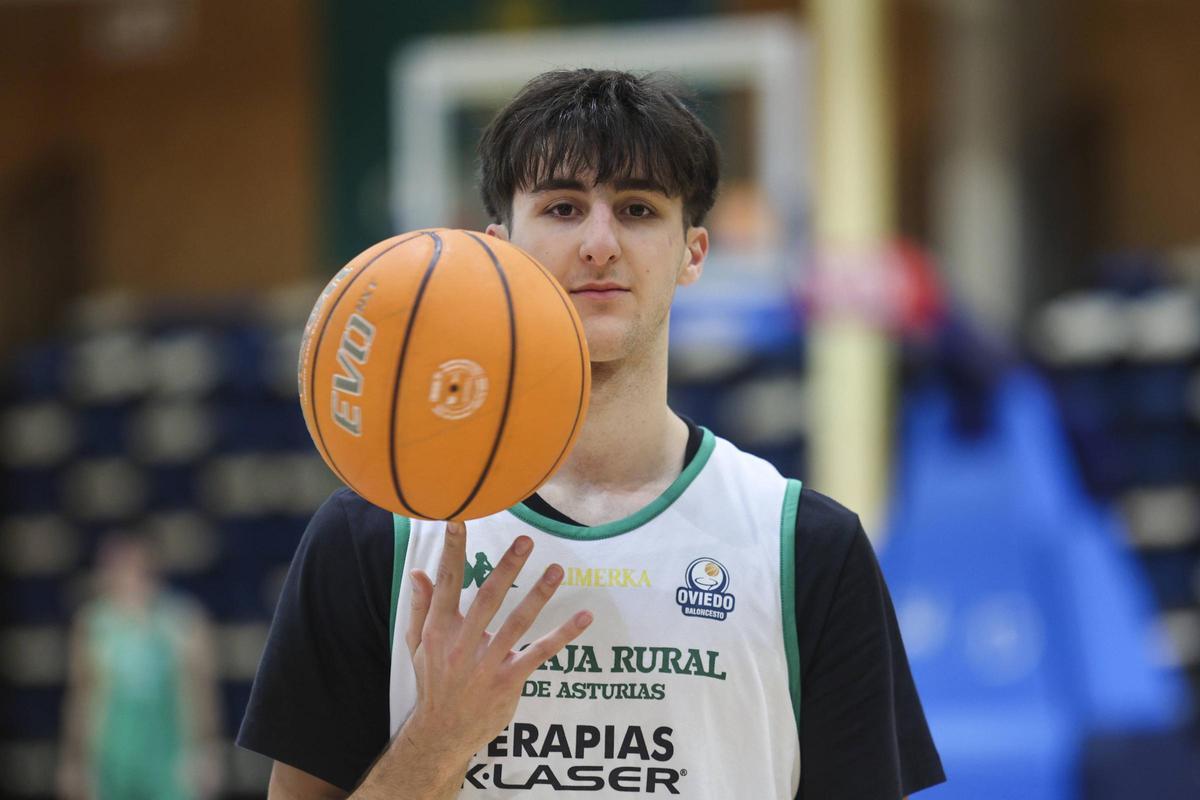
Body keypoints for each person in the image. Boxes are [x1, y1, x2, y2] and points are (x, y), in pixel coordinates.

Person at [237, 68, 945, 799]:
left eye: (637, 209)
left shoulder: (804, 547)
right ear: (499, 246)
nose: (600, 243)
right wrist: (439, 738)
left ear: (693, 253)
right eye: (564, 207)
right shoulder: (373, 538)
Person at [58, 532, 222, 800]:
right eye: (120, 568)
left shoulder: (182, 620)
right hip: (112, 757)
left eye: (138, 569)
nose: (130, 578)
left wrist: (207, 750)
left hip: (169, 758)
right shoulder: (93, 625)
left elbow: (201, 691)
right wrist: (74, 762)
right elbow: (81, 696)